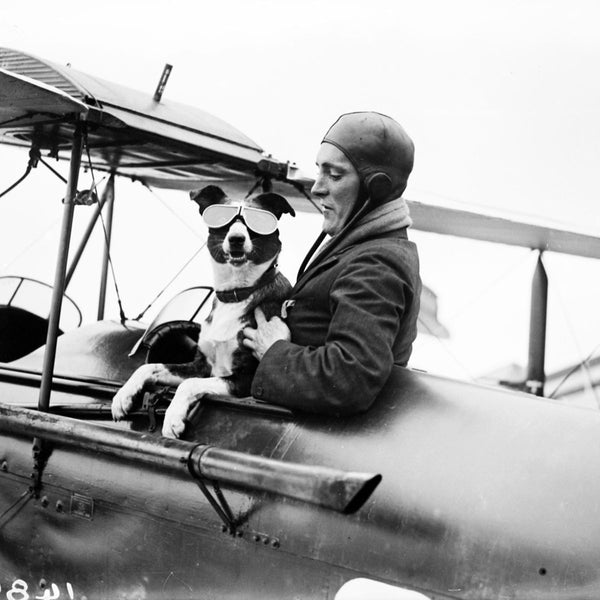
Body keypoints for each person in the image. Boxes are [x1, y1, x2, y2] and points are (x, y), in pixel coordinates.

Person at [242, 111, 421, 415]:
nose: (317, 188)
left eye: (334, 175)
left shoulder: (376, 265)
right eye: (318, 170)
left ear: (374, 189)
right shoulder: (360, 249)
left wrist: (274, 352)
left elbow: (350, 378)